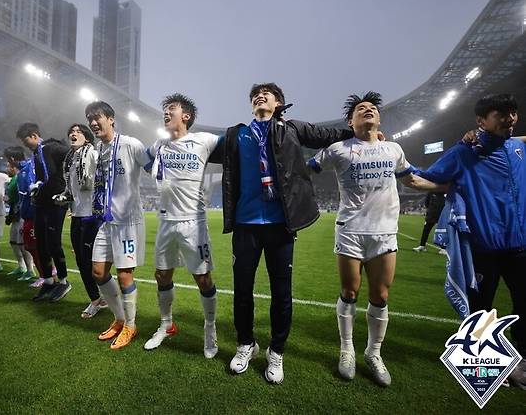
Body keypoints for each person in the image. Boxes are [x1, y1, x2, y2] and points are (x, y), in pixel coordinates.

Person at [209, 82, 355, 384]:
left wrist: (360, 131)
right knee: (242, 291)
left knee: (281, 293)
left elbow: (328, 135)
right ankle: (245, 344)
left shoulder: (292, 129)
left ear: (279, 103)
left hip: (280, 225)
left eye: (267, 94)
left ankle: (276, 352)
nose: (259, 96)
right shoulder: (237, 135)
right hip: (246, 225)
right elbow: (201, 149)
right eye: (254, 95)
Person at [308, 91, 447, 387]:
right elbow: (306, 169)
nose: (368, 110)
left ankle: (373, 353)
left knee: (381, 296)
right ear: (351, 120)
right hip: (350, 231)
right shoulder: (339, 149)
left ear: (379, 118)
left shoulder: (393, 149)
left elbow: (412, 179)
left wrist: (447, 186)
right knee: (349, 292)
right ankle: (347, 350)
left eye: (372, 108)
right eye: (361, 108)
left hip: (384, 232)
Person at [418, 93, 526, 390]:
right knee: (480, 308)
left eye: (513, 112)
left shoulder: (517, 147)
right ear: (481, 120)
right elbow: (426, 178)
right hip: (483, 248)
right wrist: (398, 165)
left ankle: (522, 360)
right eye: (502, 113)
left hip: (519, 246)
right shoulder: (464, 153)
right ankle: (485, 365)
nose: (511, 118)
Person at [143, 93, 220, 358]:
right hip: (165, 221)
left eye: (171, 109)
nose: (165, 112)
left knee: (202, 278)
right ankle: (166, 325)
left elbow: (234, 146)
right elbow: (144, 159)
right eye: (164, 109)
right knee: (162, 275)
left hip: (193, 223)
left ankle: (210, 328)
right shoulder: (159, 144)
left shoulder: (204, 140)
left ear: (185, 116)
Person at [87, 101, 149, 350]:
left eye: (97, 117)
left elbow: (153, 167)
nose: (93, 122)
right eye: (89, 118)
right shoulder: (97, 150)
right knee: (99, 272)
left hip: (128, 222)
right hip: (107, 220)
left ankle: (131, 326)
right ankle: (119, 318)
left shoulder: (131, 144)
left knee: (125, 275)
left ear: (111, 119)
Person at [55, 123, 108, 319]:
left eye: (78, 131)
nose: (73, 134)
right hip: (76, 214)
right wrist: (64, 197)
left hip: (93, 215)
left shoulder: (93, 154)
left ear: (86, 136)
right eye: (71, 131)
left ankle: (109, 298)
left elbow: (104, 178)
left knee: (94, 262)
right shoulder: (70, 159)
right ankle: (97, 300)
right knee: (80, 261)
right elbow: (72, 189)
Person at [16, 124, 70, 301]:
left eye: (27, 143)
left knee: (54, 243)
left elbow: (72, 154)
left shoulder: (52, 148)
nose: (26, 147)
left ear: (34, 135)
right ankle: (48, 281)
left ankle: (63, 281)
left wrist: (66, 186)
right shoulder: (37, 153)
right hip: (41, 202)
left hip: (56, 202)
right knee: (41, 243)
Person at [3, 146, 41, 282]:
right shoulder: (18, 175)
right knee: (19, 243)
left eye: (8, 161)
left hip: (26, 215)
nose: (7, 164)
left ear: (12, 159)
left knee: (28, 245)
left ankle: (35, 271)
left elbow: (26, 196)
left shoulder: (26, 172)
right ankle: (24, 267)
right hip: (19, 215)